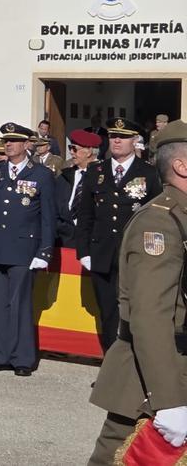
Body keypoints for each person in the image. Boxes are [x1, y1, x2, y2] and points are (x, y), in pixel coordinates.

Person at [87, 120, 187, 465]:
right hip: (154, 379)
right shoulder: (160, 223)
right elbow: (150, 315)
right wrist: (169, 400)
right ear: (181, 166)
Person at [74, 117, 163, 352]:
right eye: (113, 136)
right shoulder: (96, 171)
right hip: (101, 254)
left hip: (134, 257)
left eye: (123, 137)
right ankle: (111, 370)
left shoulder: (149, 173)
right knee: (108, 313)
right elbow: (85, 215)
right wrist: (83, 252)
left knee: (134, 313)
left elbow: (156, 218)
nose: (116, 140)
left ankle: (132, 369)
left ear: (135, 140)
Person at [0, 123, 55, 377]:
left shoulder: (41, 174)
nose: (8, 144)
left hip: (24, 248)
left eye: (14, 140)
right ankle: (0, 355)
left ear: (27, 144)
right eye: (6, 140)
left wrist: (44, 252)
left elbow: (48, 217)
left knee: (20, 305)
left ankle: (22, 358)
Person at [55, 129, 101, 247]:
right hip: (64, 239)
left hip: (92, 241)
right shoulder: (65, 176)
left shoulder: (104, 176)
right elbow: (55, 206)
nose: (71, 152)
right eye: (70, 148)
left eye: (74, 149)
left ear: (89, 151)